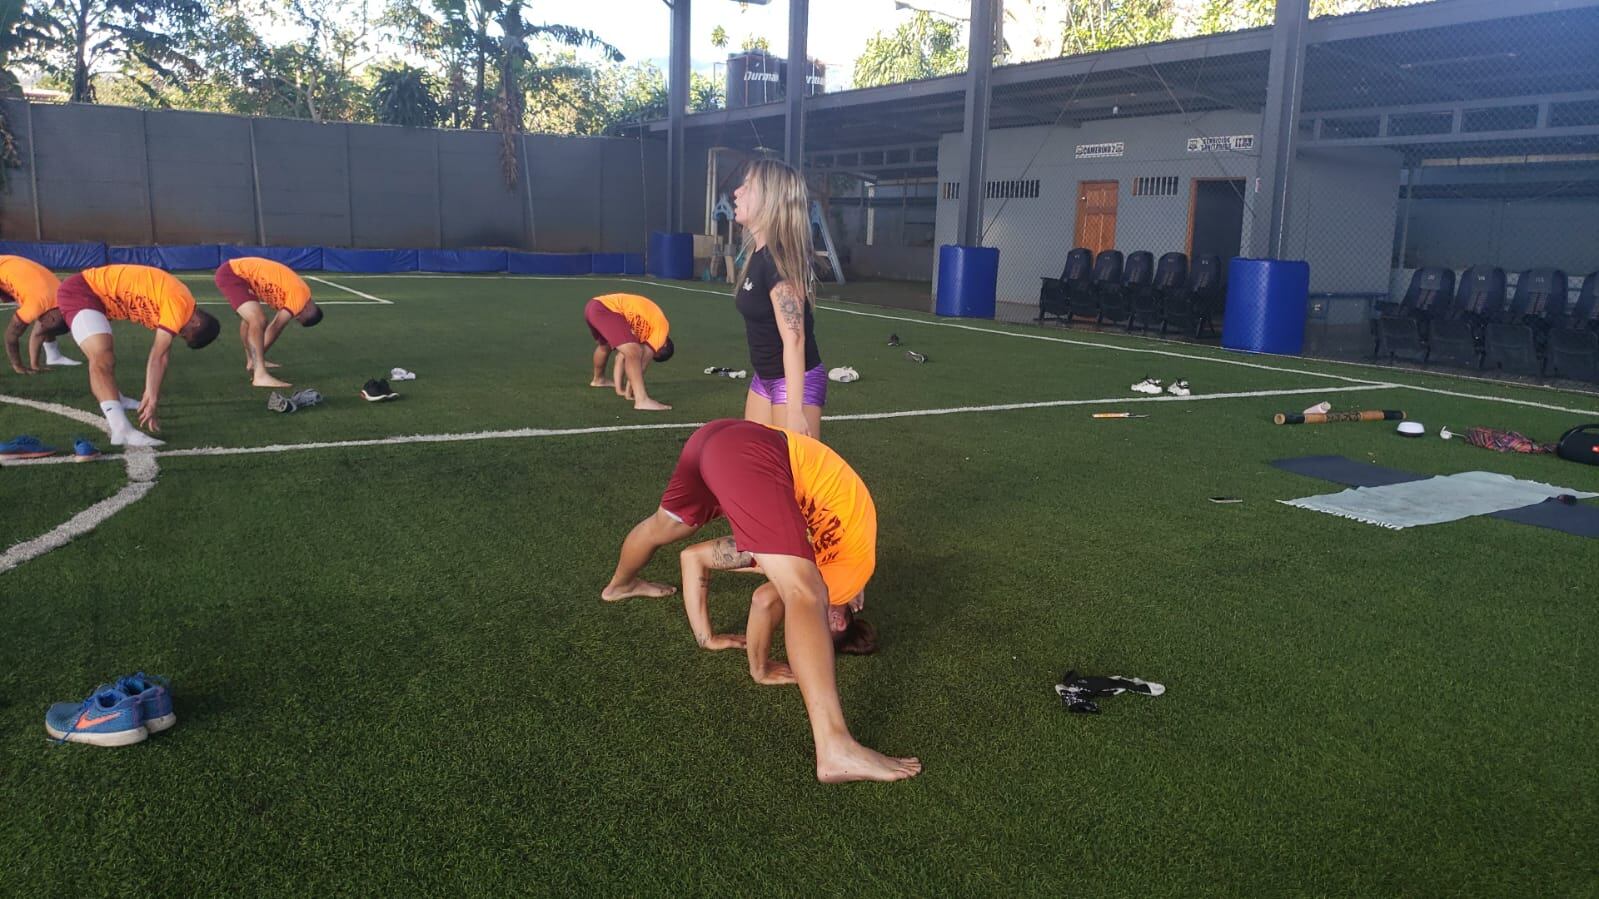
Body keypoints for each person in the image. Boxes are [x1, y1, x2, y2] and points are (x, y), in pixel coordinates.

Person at [601, 418, 919, 784]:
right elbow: (767, 600)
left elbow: (694, 558)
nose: (822, 621)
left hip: (718, 440)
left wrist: (707, 637)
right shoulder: (845, 578)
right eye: (829, 623)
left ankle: (620, 585)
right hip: (756, 454)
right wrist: (761, 667)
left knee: (664, 526)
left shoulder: (808, 546)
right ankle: (835, 748)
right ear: (845, 615)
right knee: (806, 592)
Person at [56, 264, 221, 446]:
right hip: (82, 291)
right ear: (196, 322)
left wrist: (152, 396)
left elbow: (163, 356)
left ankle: (115, 398)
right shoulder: (180, 304)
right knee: (102, 358)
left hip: (96, 298)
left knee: (103, 359)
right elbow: (158, 355)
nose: (179, 333)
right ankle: (121, 429)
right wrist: (151, 398)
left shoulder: (179, 308)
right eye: (184, 333)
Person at [732, 159, 825, 439]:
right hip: (765, 377)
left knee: (796, 465)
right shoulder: (758, 255)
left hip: (794, 382)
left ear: (769, 200)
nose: (737, 192)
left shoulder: (778, 261)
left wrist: (794, 411)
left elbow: (795, 339)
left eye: (748, 187)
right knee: (755, 457)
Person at [213, 256, 324, 388]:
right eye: (299, 316)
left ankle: (252, 361)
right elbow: (276, 327)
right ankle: (260, 375)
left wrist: (257, 355)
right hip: (233, 273)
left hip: (240, 276)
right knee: (258, 320)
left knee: (251, 320)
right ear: (308, 308)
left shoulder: (297, 298)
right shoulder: (300, 297)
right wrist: (260, 353)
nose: (295, 316)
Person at [583, 293, 675, 411]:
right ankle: (642, 400)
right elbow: (642, 361)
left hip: (593, 306)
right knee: (634, 351)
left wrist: (623, 390)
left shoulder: (645, 331)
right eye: (656, 353)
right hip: (606, 309)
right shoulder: (662, 330)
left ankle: (599, 380)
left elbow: (622, 358)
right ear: (664, 344)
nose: (652, 353)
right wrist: (628, 392)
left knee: (605, 346)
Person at [1, 254, 80, 374]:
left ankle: (53, 356)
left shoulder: (61, 297)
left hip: (11, 266)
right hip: (6, 267)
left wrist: (35, 365)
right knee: (18, 330)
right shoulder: (35, 305)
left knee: (45, 322)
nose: (41, 326)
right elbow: (10, 336)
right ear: (52, 319)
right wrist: (18, 366)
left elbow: (42, 330)